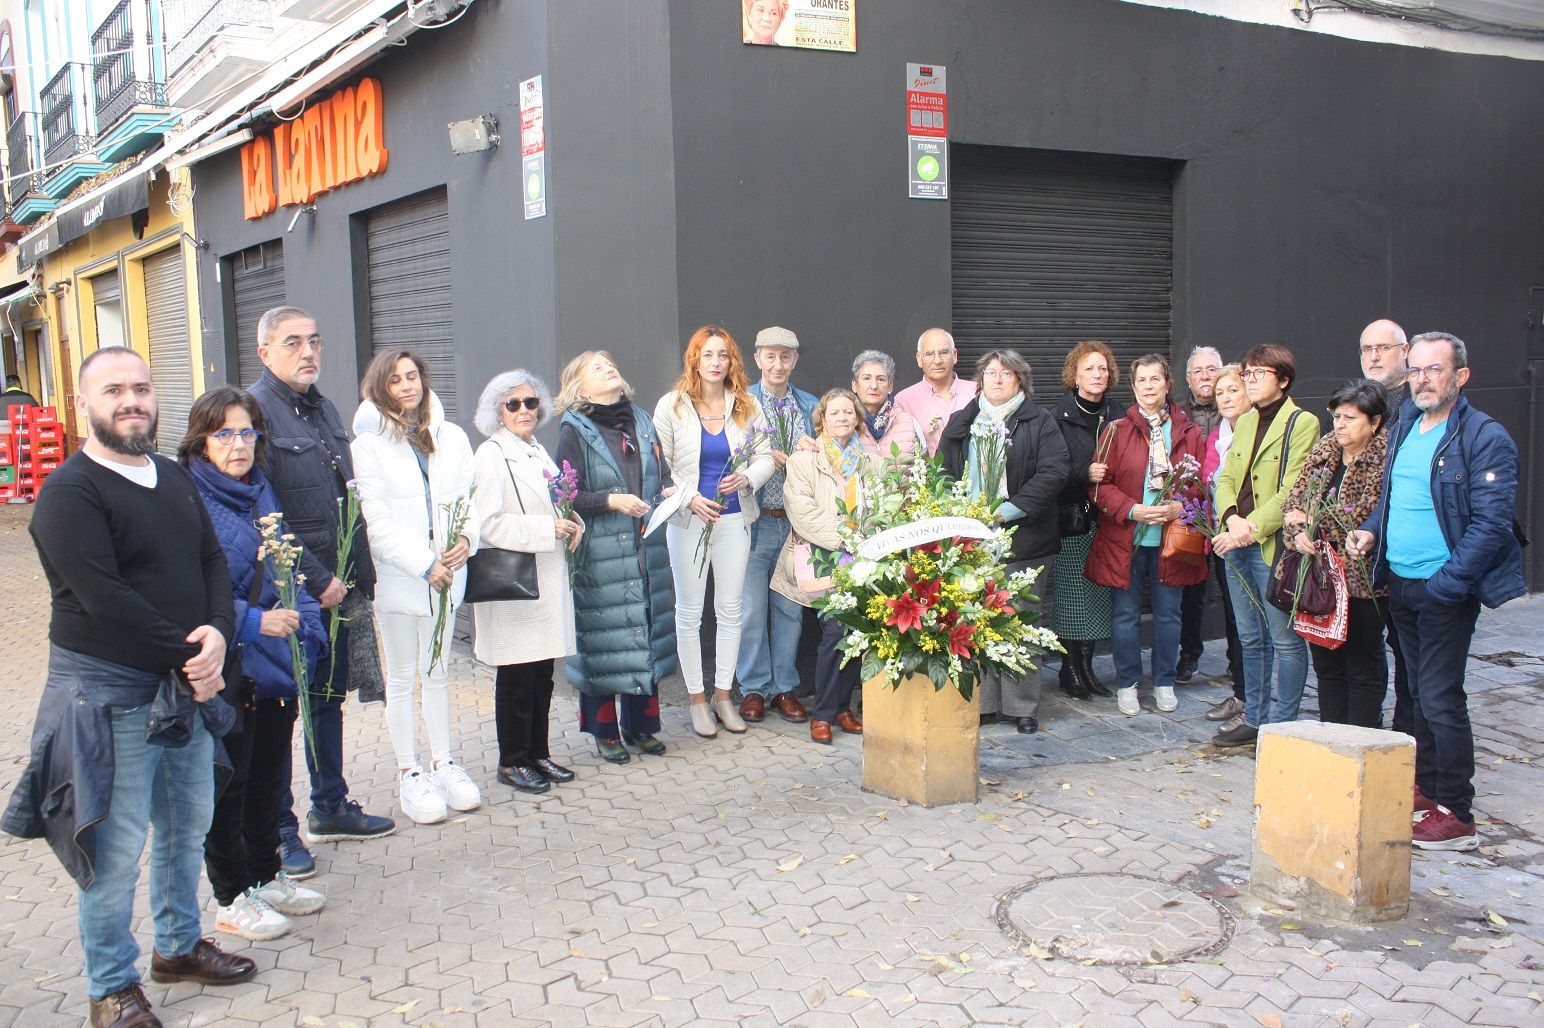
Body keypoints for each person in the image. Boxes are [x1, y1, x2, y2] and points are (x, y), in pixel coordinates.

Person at [4, 347, 252, 1028]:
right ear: (84, 403)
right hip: (108, 695)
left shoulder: (172, 477)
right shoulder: (69, 493)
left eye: (141, 387)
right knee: (111, 852)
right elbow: (103, 597)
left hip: (185, 685)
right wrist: (192, 655)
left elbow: (209, 560)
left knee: (186, 825)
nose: (131, 400)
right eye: (113, 389)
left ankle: (176, 948)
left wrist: (220, 636)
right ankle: (109, 988)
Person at [1350, 332, 1525, 851]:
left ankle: (1456, 808)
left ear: (1460, 376)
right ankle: (1424, 788)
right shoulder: (1405, 421)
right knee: (1415, 693)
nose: (1422, 379)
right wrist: (1373, 529)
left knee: (1441, 697)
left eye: (1435, 370)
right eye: (1417, 370)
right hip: (1399, 581)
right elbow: (1392, 495)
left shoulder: (1483, 436)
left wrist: (1448, 584)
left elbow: (1491, 526)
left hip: (1443, 589)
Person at [181, 386, 328, 941]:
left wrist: (309, 634)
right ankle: (231, 895)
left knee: (270, 775)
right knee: (230, 783)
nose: (238, 444)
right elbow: (188, 589)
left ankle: (266, 876)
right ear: (202, 439)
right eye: (224, 434)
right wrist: (252, 623)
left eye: (247, 432)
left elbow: (290, 569)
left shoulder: (260, 488)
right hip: (230, 662)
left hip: (278, 664)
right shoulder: (189, 497)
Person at [249, 306, 394, 869]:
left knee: (327, 701)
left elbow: (347, 498)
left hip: (342, 585)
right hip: (295, 592)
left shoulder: (323, 407)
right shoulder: (256, 411)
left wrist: (357, 577)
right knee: (287, 709)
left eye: (314, 340)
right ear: (265, 353)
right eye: (292, 343)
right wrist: (316, 580)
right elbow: (267, 513)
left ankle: (330, 805)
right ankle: (280, 829)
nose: (307, 352)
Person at [352, 350, 481, 825]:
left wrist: (468, 538)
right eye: (396, 379)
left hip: (449, 572)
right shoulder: (367, 446)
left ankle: (443, 762)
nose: (407, 386)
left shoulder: (452, 437)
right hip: (403, 578)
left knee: (438, 672)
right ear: (380, 387)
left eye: (413, 377)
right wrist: (424, 563)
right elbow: (377, 522)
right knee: (403, 676)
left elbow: (471, 496)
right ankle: (410, 772)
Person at [939, 350, 1071, 733]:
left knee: (1020, 622)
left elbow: (1053, 473)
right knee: (975, 620)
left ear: (1020, 381)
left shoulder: (1039, 420)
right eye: (991, 373)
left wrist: (1006, 512)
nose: (997, 379)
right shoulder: (963, 420)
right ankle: (983, 703)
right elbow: (942, 470)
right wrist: (959, 510)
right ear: (980, 380)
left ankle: (1021, 706)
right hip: (971, 537)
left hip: (1024, 537)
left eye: (1006, 373)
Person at [556, 351, 678, 763]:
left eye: (611, 364)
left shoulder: (641, 420)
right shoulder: (575, 428)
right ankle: (605, 732)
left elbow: (659, 475)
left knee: (644, 629)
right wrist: (612, 500)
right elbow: (566, 494)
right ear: (580, 386)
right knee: (603, 640)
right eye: (597, 367)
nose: (610, 368)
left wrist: (670, 492)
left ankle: (641, 727)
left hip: (645, 547)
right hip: (600, 553)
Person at [655, 325, 775, 738]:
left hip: (733, 521)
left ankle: (724, 696)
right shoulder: (671, 406)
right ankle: (696, 701)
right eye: (707, 354)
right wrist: (689, 497)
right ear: (695, 359)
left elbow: (764, 458)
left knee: (730, 611)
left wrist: (747, 478)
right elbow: (661, 469)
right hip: (689, 522)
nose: (715, 362)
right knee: (689, 614)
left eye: (722, 355)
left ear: (731, 362)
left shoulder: (746, 405)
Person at [470, 370, 582, 794]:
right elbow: (487, 524)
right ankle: (512, 761)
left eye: (531, 402)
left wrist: (573, 523)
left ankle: (538, 753)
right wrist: (546, 529)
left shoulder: (536, 450)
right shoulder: (492, 455)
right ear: (496, 411)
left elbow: (560, 502)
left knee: (541, 676)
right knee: (516, 678)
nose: (524, 411)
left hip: (546, 580)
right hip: (516, 587)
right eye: (513, 404)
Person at [1084, 355, 1207, 718]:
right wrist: (1132, 509)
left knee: (1169, 614)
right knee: (1124, 616)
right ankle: (1128, 683)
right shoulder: (1115, 430)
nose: (1149, 386)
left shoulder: (1189, 430)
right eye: (1142, 380)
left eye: (1156, 379)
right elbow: (1098, 487)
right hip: (1127, 537)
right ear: (1133, 386)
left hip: (1171, 539)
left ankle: (1165, 682)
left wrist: (1178, 507)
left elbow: (1202, 485)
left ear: (1168, 384)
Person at [1211, 345, 1322, 747]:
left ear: (1283, 379)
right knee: (1250, 638)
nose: (1250, 379)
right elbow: (1224, 480)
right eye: (1248, 372)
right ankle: (1255, 719)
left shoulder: (1302, 422)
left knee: (1285, 640)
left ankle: (1283, 727)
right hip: (1234, 541)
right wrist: (1230, 519)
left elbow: (1295, 488)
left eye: (1259, 373)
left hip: (1271, 546)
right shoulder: (1245, 422)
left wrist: (1251, 526)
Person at [772, 388, 878, 743]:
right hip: (821, 555)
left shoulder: (869, 462)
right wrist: (847, 536)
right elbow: (802, 512)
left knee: (853, 633)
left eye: (849, 412)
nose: (843, 418)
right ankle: (824, 713)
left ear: (858, 418)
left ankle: (842, 708)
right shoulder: (804, 461)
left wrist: (866, 539)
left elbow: (879, 507)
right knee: (836, 633)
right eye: (835, 413)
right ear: (822, 419)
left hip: (860, 559)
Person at [1282, 380, 1390, 729]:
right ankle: (1332, 734)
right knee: (1327, 663)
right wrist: (1296, 531)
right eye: (1337, 416)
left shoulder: (1383, 456)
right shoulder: (1325, 449)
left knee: (1362, 664)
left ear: (1374, 422)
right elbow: (1293, 501)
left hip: (1361, 579)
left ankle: (1361, 738)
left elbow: (1362, 514)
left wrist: (1312, 519)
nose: (1340, 425)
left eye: (1350, 418)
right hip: (1320, 576)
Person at [738, 326, 818, 724]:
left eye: (785, 356)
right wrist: (760, 455)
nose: (778, 364)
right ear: (757, 359)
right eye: (770, 356)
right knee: (750, 609)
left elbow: (827, 463)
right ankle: (754, 687)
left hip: (796, 527)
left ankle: (785, 687)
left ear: (795, 360)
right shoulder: (743, 403)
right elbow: (729, 455)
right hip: (754, 523)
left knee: (789, 609)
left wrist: (810, 454)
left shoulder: (809, 405)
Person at [1048, 340, 1121, 701]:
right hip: (1074, 519)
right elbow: (1051, 469)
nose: (1097, 374)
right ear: (1074, 375)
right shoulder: (1057, 416)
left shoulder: (1118, 414)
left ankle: (1087, 668)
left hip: (1109, 521)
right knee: (1072, 597)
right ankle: (1070, 668)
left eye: (1103, 368)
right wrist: (1083, 472)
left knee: (1097, 597)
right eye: (1089, 368)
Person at [1358, 317, 1413, 736]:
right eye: (1367, 349)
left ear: (1405, 351)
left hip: (1405, 551)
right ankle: (1372, 725)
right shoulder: (1358, 401)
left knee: (1409, 651)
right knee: (1367, 646)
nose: (1374, 357)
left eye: (1384, 348)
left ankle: (1408, 731)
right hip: (1361, 551)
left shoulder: (1419, 405)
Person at [1200, 365, 1253, 724]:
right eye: (1220, 393)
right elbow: (1210, 480)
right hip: (1223, 540)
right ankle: (1241, 694)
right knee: (1235, 622)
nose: (1227, 398)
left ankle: (1255, 702)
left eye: (1233, 390)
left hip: (1251, 538)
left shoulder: (1257, 431)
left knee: (1254, 624)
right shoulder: (1218, 434)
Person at [1176, 346, 1225, 684]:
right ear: (1188, 379)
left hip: (1228, 515)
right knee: (1190, 591)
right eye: (1198, 371)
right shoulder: (1177, 415)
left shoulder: (1237, 409)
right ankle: (1189, 652)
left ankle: (1240, 662)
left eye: (1212, 369)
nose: (1206, 376)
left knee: (1233, 589)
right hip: (1190, 515)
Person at [894, 327, 978, 456]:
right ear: (919, 359)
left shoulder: (977, 392)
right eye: (929, 354)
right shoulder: (903, 401)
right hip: (927, 475)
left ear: (954, 356)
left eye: (944, 352)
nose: (937, 360)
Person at [852, 350, 926, 463]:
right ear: (855, 385)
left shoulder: (908, 422)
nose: (874, 386)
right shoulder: (844, 420)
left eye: (881, 379)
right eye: (867, 378)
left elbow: (925, 469)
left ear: (890, 386)